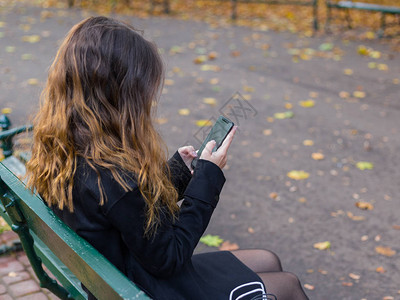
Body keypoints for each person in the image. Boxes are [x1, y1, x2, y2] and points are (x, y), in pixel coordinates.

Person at [26, 16, 308, 300]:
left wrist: (179, 172)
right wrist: (207, 179)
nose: (148, 100)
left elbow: (128, 214)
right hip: (147, 289)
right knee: (289, 285)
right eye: (143, 90)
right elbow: (169, 258)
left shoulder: (62, 145)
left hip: (120, 276)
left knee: (268, 260)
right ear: (121, 94)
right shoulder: (114, 176)